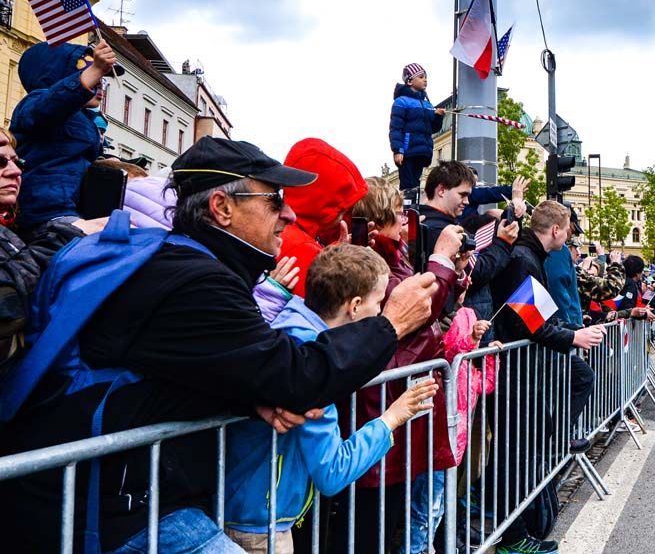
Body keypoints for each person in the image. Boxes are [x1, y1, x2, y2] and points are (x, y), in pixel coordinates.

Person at [0, 136, 439, 553]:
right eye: (274, 201)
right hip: (108, 505)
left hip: (112, 492)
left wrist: (250, 397)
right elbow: (298, 375)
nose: (287, 216)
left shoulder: (187, 261)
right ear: (222, 207)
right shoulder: (196, 281)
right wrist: (391, 324)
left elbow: (181, 367)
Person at [223, 244, 437, 554]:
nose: (379, 312)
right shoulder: (315, 370)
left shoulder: (289, 329)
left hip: (245, 510)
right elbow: (332, 472)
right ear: (355, 306)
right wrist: (392, 418)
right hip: (260, 528)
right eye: (378, 303)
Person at [340, 175, 466, 554]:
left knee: (387, 516)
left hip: (396, 404)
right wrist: (441, 260)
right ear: (377, 222)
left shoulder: (395, 257)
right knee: (370, 526)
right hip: (380, 405)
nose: (406, 222)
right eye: (398, 215)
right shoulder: (369, 261)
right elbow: (413, 310)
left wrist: (453, 279)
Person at [489, 200, 606, 554]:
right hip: (516, 374)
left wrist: (571, 329)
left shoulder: (529, 257)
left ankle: (515, 529)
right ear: (556, 229)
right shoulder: (525, 260)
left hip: (523, 371)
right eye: (568, 228)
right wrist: (574, 337)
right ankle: (512, 537)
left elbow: (541, 316)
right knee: (514, 455)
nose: (570, 235)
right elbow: (529, 322)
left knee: (514, 453)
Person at [0, 126, 91, 375]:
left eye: (18, 162)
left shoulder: (13, 226)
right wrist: (70, 234)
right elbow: (6, 300)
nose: (16, 171)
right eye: (0, 162)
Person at [9, 40, 124, 228]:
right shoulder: (33, 104)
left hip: (73, 212)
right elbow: (53, 104)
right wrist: (93, 71)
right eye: (91, 73)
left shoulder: (86, 119)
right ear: (58, 77)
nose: (100, 84)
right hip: (46, 215)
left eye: (103, 77)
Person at [419, 160, 518, 322]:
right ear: (441, 190)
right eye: (462, 195)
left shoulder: (421, 222)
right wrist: (503, 243)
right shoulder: (444, 231)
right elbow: (475, 273)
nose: (467, 202)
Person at [279, 138, 368, 296]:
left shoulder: (284, 232)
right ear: (321, 207)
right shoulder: (305, 251)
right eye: (340, 211)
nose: (341, 219)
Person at [389, 63, 444, 198]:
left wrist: (438, 117)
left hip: (422, 151)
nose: (425, 80)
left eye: (425, 77)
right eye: (421, 77)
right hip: (407, 151)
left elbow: (434, 129)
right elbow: (396, 128)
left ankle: (414, 210)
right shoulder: (401, 102)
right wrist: (398, 150)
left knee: (415, 184)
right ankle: (407, 210)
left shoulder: (427, 104)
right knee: (408, 184)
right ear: (409, 81)